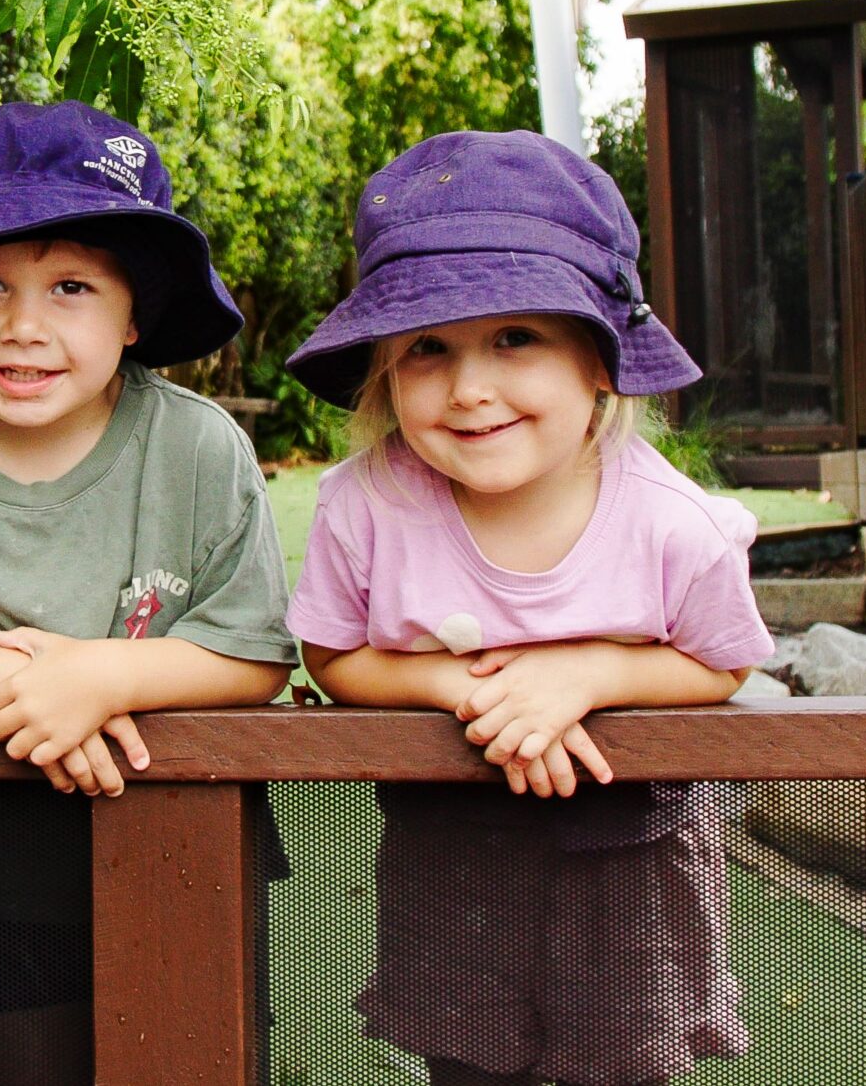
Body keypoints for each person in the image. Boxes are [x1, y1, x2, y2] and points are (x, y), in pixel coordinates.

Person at [283, 130, 769, 1086]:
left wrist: (586, 673)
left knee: (626, 1070)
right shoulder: (366, 507)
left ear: (600, 361)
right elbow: (330, 656)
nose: (471, 389)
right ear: (386, 371)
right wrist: (474, 693)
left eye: (515, 337)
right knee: (465, 1070)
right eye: (429, 348)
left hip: (638, 852)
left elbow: (722, 663)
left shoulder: (677, 527)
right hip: (448, 840)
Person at [0, 100, 296, 1086]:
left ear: (135, 315)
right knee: (31, 1064)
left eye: (73, 286)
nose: (23, 325)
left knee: (195, 1060)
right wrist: (14, 679)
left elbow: (256, 653)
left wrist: (98, 676)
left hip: (186, 825)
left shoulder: (199, 448)